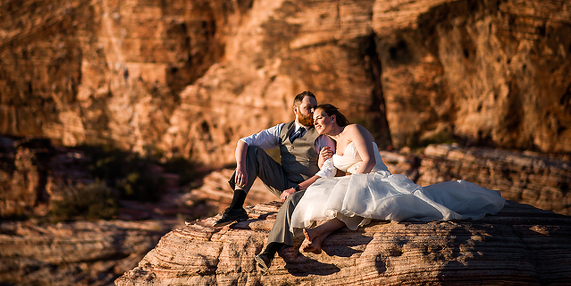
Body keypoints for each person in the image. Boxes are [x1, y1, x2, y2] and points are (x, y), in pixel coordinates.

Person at [292, 104, 507, 254]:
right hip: (357, 180)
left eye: (319, 117)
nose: (315, 122)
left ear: (332, 118)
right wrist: (322, 163)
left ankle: (317, 233)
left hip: (375, 177)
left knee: (350, 199)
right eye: (313, 120)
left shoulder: (353, 129)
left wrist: (352, 183)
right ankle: (318, 239)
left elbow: (368, 160)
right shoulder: (334, 144)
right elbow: (339, 173)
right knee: (330, 194)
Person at [213, 91, 335, 237]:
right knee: (253, 151)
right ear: (295, 110)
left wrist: (319, 164)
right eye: (308, 108)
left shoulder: (322, 134)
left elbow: (328, 172)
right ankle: (236, 208)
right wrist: (241, 167)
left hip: (307, 189)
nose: (313, 111)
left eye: (315, 107)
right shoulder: (282, 129)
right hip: (283, 184)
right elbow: (244, 141)